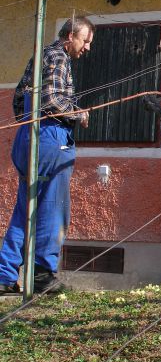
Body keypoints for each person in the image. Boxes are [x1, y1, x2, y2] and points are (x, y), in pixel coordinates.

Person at [0, 17, 94, 295]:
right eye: (85, 41)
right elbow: (50, 100)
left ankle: (5, 276)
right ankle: (42, 275)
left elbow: (20, 98)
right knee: (54, 207)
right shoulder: (58, 56)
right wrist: (78, 113)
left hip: (29, 138)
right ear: (70, 37)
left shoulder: (40, 55)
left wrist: (32, 128)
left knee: (25, 208)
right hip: (50, 141)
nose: (87, 48)